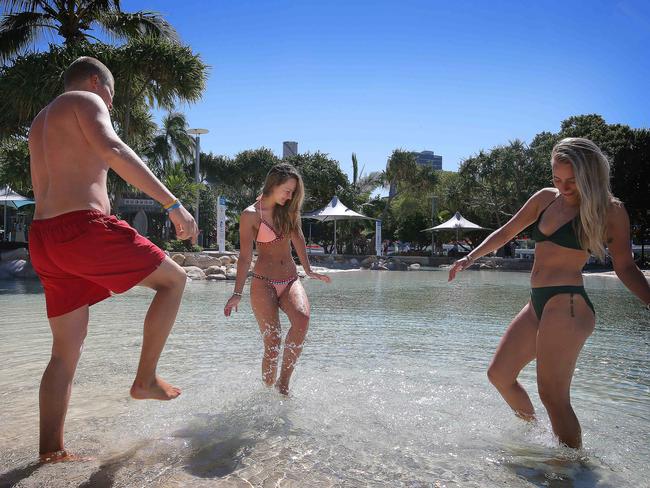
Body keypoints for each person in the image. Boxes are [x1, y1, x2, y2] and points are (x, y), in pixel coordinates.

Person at [28, 56, 198, 462]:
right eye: (110, 94)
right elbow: (113, 148)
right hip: (82, 229)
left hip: (44, 238)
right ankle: (145, 379)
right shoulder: (85, 100)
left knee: (63, 354)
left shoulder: (39, 122)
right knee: (174, 281)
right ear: (94, 82)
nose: (108, 102)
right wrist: (172, 203)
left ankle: (51, 452)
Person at [448, 137, 650, 449]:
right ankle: (539, 437)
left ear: (589, 175)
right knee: (500, 375)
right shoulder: (545, 199)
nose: (564, 186)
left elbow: (625, 267)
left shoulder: (610, 211)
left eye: (572, 180)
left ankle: (572, 471)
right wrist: (469, 257)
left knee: (553, 396)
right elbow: (507, 231)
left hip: (568, 304)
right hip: (537, 303)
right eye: (557, 179)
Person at [224, 164, 331, 395]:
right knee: (272, 343)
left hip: (290, 279)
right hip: (263, 282)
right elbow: (244, 257)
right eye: (287, 190)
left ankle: (283, 384)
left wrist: (309, 270)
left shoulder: (290, 210)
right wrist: (237, 292)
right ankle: (265, 394)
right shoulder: (250, 215)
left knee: (301, 320)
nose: (290, 196)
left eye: (293, 192)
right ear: (273, 185)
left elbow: (298, 238)